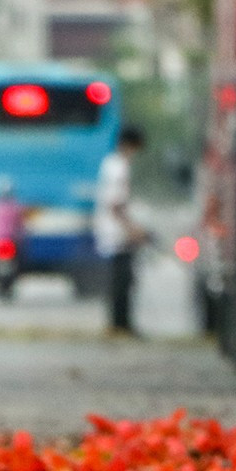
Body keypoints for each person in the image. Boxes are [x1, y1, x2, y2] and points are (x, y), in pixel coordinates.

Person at [93, 126, 148, 335]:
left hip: (112, 230)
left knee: (120, 280)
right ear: (128, 145)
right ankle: (120, 324)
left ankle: (120, 323)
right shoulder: (119, 167)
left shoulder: (110, 163)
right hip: (117, 233)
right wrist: (133, 229)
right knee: (122, 282)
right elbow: (116, 205)